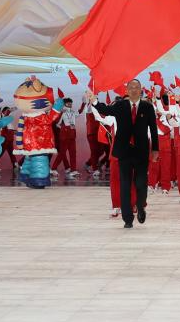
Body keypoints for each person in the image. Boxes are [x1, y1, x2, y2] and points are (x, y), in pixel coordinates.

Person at [91, 79, 159, 229]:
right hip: (124, 151)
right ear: (127, 90)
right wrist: (94, 101)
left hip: (141, 151)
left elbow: (153, 129)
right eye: (131, 87)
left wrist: (155, 149)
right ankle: (127, 218)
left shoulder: (147, 107)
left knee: (141, 182)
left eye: (137, 87)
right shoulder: (120, 105)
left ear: (140, 90)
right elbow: (105, 110)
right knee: (125, 183)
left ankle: (140, 206)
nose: (134, 90)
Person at [57, 98, 79, 180]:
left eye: (71, 103)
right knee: (62, 154)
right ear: (64, 104)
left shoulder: (73, 112)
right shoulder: (62, 112)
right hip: (64, 136)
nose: (70, 104)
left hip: (72, 135)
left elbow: (80, 112)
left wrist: (84, 104)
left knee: (73, 153)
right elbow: (57, 124)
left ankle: (73, 170)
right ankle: (53, 168)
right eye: (68, 103)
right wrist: (65, 129)